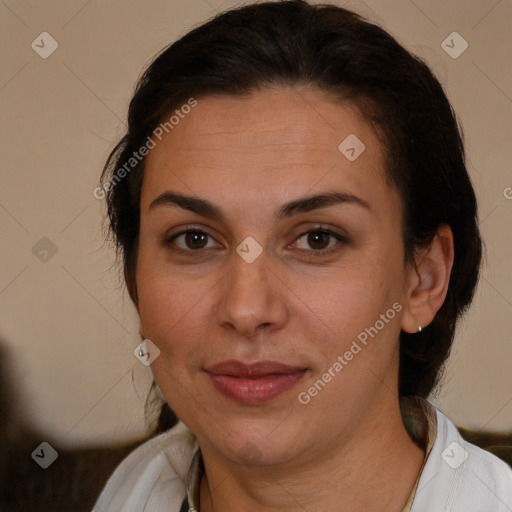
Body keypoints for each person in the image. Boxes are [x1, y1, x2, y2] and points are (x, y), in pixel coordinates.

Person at [92, 1, 512, 510]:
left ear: (423, 279)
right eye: (194, 239)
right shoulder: (137, 488)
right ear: (135, 277)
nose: (246, 311)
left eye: (317, 239)